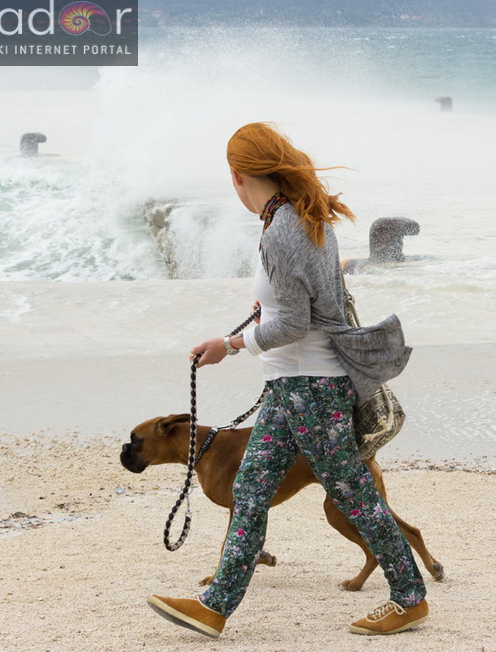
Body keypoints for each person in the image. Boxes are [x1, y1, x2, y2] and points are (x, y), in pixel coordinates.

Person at [147, 122, 429, 637]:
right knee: (251, 490)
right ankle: (215, 606)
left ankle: (410, 597)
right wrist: (267, 308)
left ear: (237, 176)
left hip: (310, 389)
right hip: (291, 386)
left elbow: (298, 322)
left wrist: (231, 345)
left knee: (354, 495)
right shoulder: (299, 217)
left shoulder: (283, 229)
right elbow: (307, 303)